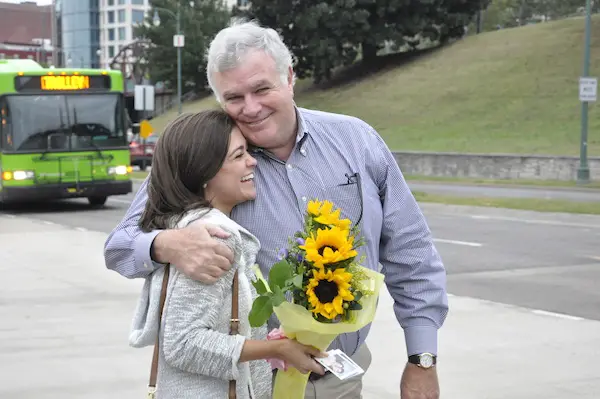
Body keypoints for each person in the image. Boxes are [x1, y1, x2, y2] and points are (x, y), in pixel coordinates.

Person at [105, 20, 449, 399]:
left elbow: (410, 252)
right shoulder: (206, 159)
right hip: (251, 386)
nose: (251, 108)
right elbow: (120, 246)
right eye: (234, 98)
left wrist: (422, 359)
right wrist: (167, 245)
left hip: (341, 381)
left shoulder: (357, 141)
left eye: (261, 89)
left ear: (289, 77)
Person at [127, 109, 326, 399]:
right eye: (238, 155)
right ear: (204, 172)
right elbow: (182, 343)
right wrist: (275, 349)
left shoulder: (185, 229)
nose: (252, 161)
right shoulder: (214, 238)